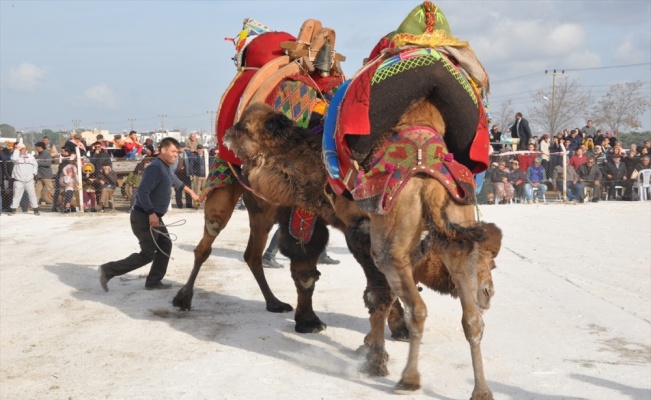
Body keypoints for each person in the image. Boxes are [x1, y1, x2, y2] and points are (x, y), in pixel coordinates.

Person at [99, 138, 200, 291]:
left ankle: (153, 280)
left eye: (177, 153)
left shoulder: (167, 167)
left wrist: (192, 193)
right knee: (148, 253)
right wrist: (151, 214)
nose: (176, 155)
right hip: (143, 216)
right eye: (173, 152)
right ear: (163, 150)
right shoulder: (155, 168)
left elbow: (176, 182)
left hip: (154, 216)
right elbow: (143, 193)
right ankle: (108, 270)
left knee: (165, 245)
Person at [7, 143, 40, 215]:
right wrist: (17, 150)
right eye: (20, 149)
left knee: (32, 195)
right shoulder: (15, 156)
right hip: (19, 180)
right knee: (16, 195)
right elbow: (14, 158)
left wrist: (34, 173)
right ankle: (13, 209)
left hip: (29, 180)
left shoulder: (30, 156)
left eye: (22, 149)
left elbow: (35, 165)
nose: (22, 150)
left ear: (25, 149)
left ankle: (36, 209)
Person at [34, 142, 54, 207]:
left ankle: (58, 202)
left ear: (40, 147)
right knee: (37, 190)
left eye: (37, 147)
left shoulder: (46, 153)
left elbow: (48, 164)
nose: (36, 148)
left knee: (51, 190)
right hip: (39, 176)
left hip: (46, 176)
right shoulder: (39, 154)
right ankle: (35, 205)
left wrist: (37, 162)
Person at [173, 142, 193, 208]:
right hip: (177, 174)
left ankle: (189, 204)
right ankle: (179, 204)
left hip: (186, 174)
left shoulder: (188, 154)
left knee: (188, 188)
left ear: (184, 148)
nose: (180, 148)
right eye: (179, 147)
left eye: (182, 147)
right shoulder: (175, 154)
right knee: (178, 189)